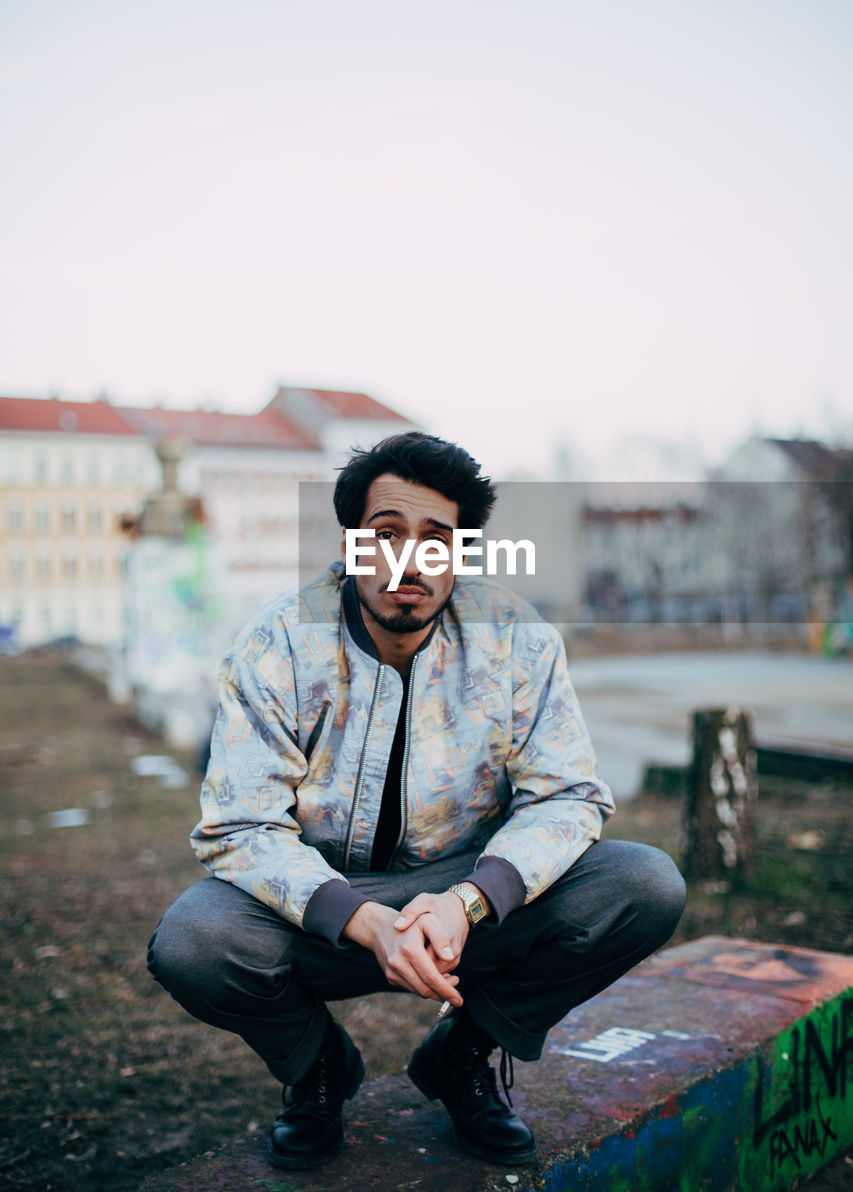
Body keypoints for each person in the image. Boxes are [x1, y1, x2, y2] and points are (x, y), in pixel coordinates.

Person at [147, 432, 685, 1170]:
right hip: (321, 903)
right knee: (193, 942)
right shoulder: (277, 642)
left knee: (642, 883)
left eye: (437, 538)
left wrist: (469, 901)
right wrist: (360, 918)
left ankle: (462, 1056)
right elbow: (238, 826)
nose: (410, 559)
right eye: (387, 534)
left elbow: (568, 798)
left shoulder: (514, 638)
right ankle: (319, 1070)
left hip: (465, 897)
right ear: (351, 545)